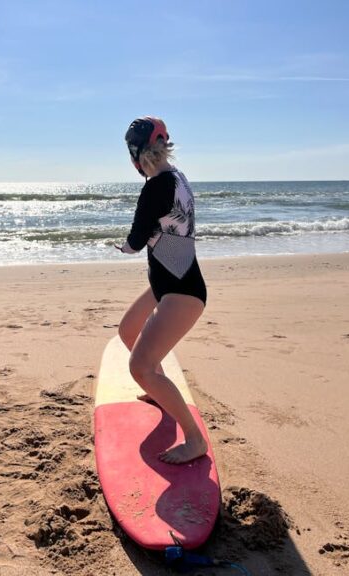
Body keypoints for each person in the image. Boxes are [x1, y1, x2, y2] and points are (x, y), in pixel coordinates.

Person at [116, 117, 209, 464]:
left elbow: (136, 240)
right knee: (128, 331)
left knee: (140, 367)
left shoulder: (155, 186)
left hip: (181, 292)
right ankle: (160, 391)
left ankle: (196, 440)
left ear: (136, 154)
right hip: (169, 283)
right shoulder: (177, 178)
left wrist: (123, 247)